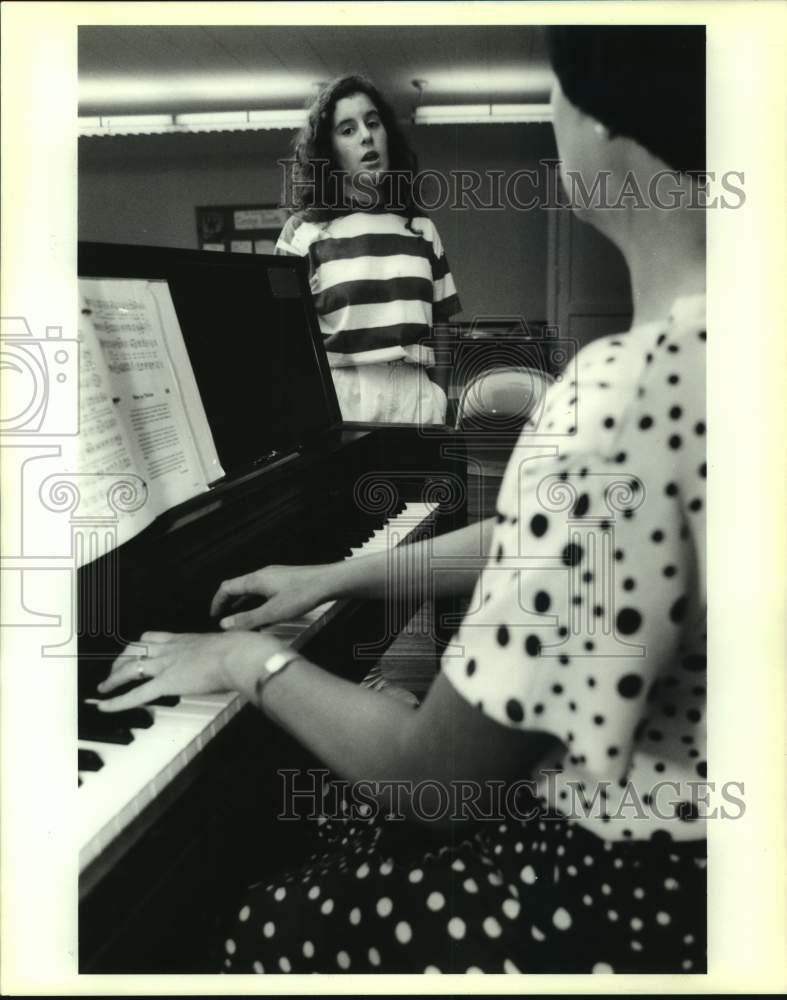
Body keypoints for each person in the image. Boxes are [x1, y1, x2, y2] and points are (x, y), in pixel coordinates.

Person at [98, 26, 707, 974]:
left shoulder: (630, 389)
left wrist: (247, 658)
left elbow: (435, 784)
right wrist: (342, 573)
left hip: (634, 887)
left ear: (592, 113)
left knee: (240, 917)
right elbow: (544, 542)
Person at [274, 74, 461, 424]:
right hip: (342, 399)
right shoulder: (302, 233)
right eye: (347, 130)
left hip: (416, 399)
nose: (366, 135)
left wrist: (440, 397)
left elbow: (442, 324)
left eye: (373, 122)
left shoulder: (421, 230)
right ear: (328, 151)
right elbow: (283, 337)